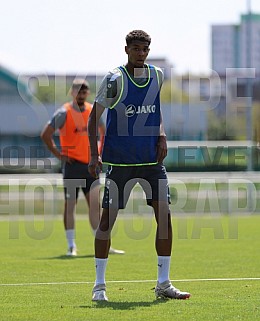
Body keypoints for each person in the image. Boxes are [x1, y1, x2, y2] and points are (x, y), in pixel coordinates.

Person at [88, 30, 190, 301]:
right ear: (126, 50)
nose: (141, 53)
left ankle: (163, 283)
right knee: (107, 221)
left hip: (151, 162)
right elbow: (92, 118)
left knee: (165, 218)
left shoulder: (157, 75)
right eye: (136, 48)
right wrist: (92, 155)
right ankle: (99, 287)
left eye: (144, 49)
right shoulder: (115, 79)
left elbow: (154, 111)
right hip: (119, 161)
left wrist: (162, 133)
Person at [41, 78, 125, 256]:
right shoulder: (63, 112)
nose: (81, 93)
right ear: (72, 92)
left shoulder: (92, 111)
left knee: (95, 206)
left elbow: (103, 132)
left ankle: (103, 245)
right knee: (70, 205)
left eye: (84, 90)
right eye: (78, 90)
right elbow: (45, 134)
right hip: (72, 166)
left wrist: (99, 152)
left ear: (88, 93)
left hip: (91, 167)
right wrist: (59, 155)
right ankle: (71, 245)